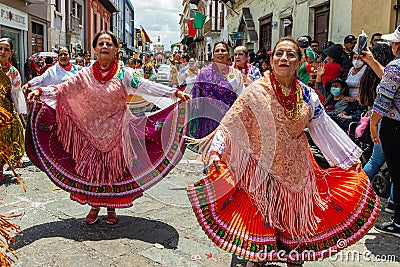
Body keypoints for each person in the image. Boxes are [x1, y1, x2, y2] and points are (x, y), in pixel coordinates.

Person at [187, 37, 379, 266]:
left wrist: (349, 160)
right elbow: (231, 125)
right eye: (279, 53)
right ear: (272, 59)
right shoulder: (255, 91)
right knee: (257, 242)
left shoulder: (308, 96)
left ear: (299, 63)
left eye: (290, 54)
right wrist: (217, 153)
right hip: (259, 173)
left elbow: (323, 129)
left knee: (295, 240)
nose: (284, 58)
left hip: (297, 174)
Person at [26, 31, 191, 225]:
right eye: (101, 44)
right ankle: (94, 206)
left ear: (115, 50)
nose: (105, 47)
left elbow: (146, 87)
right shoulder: (83, 75)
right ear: (95, 49)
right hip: (90, 132)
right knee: (94, 173)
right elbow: (62, 90)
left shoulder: (124, 74)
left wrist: (174, 94)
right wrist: (39, 91)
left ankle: (111, 207)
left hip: (117, 132)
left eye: (109, 44)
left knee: (113, 172)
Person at [371, 26, 400, 237]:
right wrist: (372, 62)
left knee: (398, 175)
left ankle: (398, 223)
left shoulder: (395, 67)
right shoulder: (393, 69)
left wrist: (373, 123)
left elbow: (383, 99)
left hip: (395, 127)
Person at [359, 41, 394, 213]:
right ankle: (393, 204)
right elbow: (384, 100)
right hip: (383, 119)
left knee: (377, 160)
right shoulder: (391, 70)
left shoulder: (369, 73)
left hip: (377, 118)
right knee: (384, 162)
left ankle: (357, 191)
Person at [189, 41, 245, 141]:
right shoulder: (204, 73)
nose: (220, 53)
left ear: (228, 54)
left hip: (229, 120)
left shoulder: (236, 74)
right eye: (217, 51)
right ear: (213, 55)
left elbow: (241, 98)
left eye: (223, 50)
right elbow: (196, 97)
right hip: (208, 121)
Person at [0, 38, 26, 180]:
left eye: (6, 49)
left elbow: (16, 95)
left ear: (11, 52)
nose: (2, 52)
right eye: (0, 49)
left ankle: (0, 168)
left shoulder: (13, 73)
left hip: (5, 112)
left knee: (4, 141)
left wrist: (19, 114)